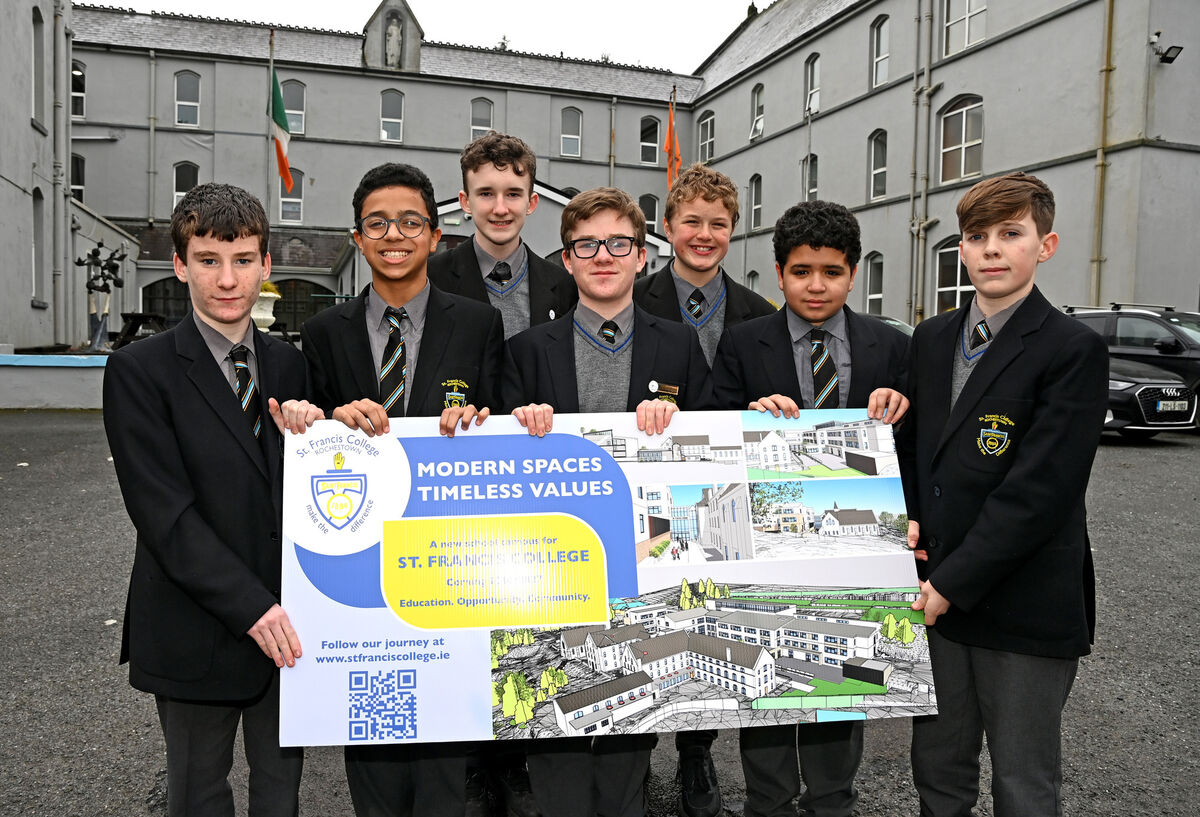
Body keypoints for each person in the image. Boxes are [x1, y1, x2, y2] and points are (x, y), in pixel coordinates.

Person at [103, 183, 321, 817]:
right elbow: (163, 514)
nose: (228, 280)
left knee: (281, 796)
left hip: (291, 627)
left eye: (244, 260)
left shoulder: (289, 365)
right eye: (208, 260)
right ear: (180, 264)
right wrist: (254, 606)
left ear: (266, 267)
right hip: (197, 627)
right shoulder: (139, 371)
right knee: (198, 796)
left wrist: (319, 429)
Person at [899, 172, 1108, 817]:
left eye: (1010, 234)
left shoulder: (1073, 349)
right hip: (937, 599)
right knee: (938, 770)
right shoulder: (931, 339)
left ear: (1044, 246)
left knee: (1023, 782)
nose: (991, 249)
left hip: (1021, 602)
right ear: (960, 249)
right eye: (976, 236)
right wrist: (902, 518)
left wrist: (952, 583)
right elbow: (918, 453)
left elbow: (1040, 491)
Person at [299, 162, 504, 817]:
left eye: (410, 221)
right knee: (376, 743)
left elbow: (498, 424)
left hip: (447, 565)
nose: (395, 234)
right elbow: (307, 446)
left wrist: (480, 421)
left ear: (435, 235)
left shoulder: (478, 325)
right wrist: (330, 421)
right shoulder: (323, 332)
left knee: (444, 748)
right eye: (378, 223)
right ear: (357, 238)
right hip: (361, 572)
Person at [503, 187, 715, 817]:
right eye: (586, 245)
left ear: (642, 256)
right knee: (555, 738)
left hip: (643, 571)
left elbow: (711, 452)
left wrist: (678, 423)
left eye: (618, 243)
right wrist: (519, 423)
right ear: (566, 260)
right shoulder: (526, 351)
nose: (603, 256)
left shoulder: (679, 345)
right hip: (551, 574)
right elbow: (495, 467)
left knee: (629, 740)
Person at [710, 200, 909, 817]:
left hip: (855, 544)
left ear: (852, 275)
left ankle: (832, 800)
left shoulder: (892, 347)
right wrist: (747, 418)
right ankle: (766, 801)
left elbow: (920, 446)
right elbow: (713, 432)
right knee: (769, 671)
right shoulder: (743, 344)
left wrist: (901, 409)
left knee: (840, 674)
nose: (816, 285)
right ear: (778, 273)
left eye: (830, 271)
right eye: (801, 272)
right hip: (767, 542)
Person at [633, 162, 775, 817]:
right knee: (639, 621)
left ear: (732, 231)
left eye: (718, 224)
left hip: (722, 497)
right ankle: (630, 753)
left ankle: (696, 750)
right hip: (646, 491)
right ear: (667, 227)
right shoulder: (630, 302)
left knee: (706, 618)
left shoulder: (758, 315)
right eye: (691, 221)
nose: (704, 234)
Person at [429, 131, 578, 338]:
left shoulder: (563, 285)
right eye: (486, 194)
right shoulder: (431, 279)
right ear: (465, 202)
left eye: (513, 194)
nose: (500, 209)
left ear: (531, 202)